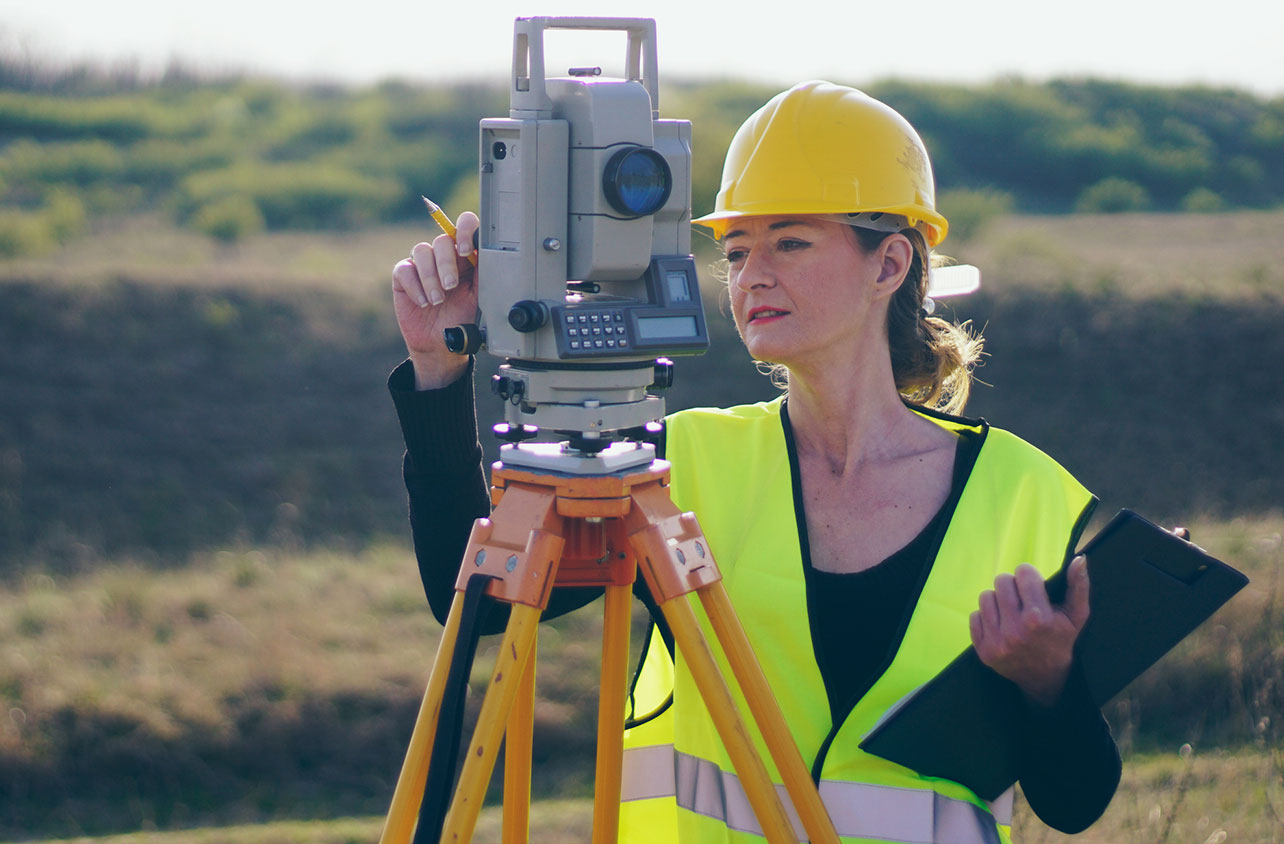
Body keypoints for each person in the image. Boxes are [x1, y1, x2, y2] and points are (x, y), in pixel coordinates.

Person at [388, 81, 1123, 843]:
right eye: (736, 252)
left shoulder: (1021, 493)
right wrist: (436, 371)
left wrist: (1048, 683)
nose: (751, 276)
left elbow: (1075, 802)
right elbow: (471, 602)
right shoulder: (678, 467)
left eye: (790, 242)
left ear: (889, 264)